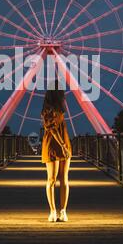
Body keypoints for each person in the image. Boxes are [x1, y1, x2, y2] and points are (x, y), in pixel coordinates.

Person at [41, 79, 72, 222]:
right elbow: (52, 128)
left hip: (62, 143)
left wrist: (64, 145)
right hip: (54, 144)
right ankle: (54, 211)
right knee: (53, 179)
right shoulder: (48, 110)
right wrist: (63, 145)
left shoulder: (59, 109)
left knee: (61, 179)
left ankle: (62, 211)